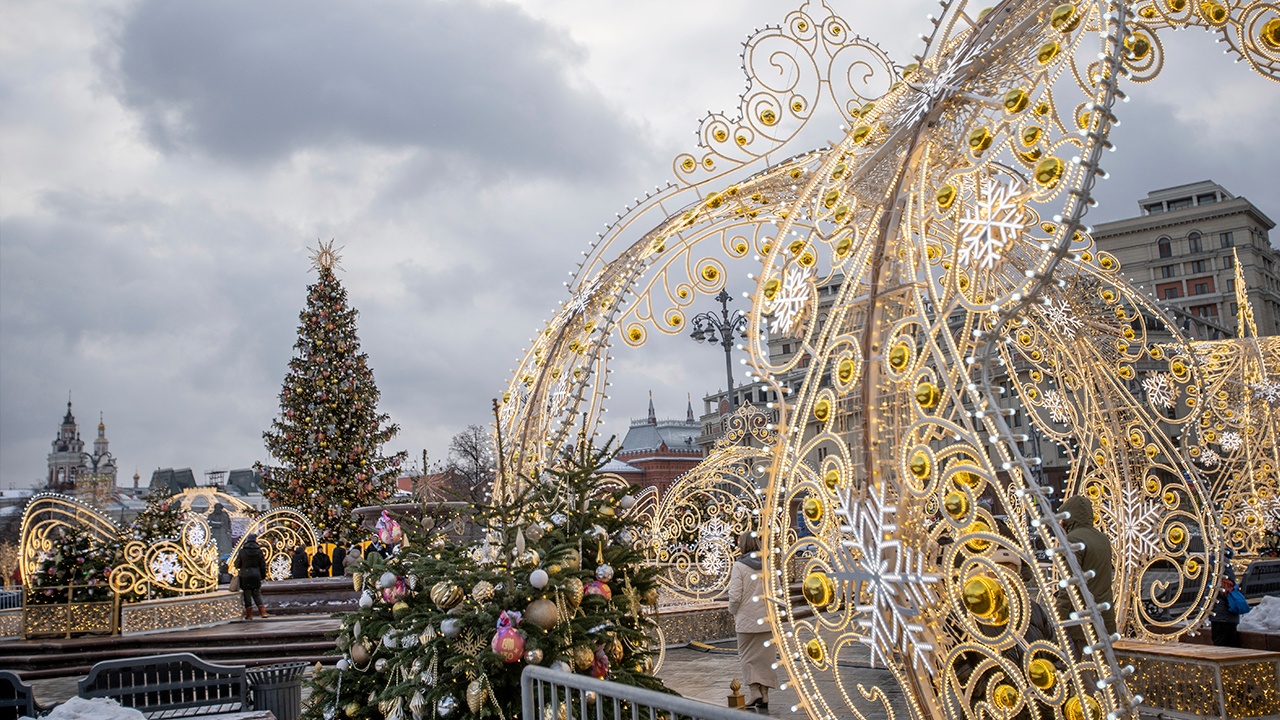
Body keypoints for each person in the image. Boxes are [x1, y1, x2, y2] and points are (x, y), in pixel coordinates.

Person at [1053, 495, 1116, 647]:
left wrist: (1057, 618)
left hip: (1082, 620)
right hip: (1105, 616)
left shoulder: (1072, 541)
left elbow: (1070, 586)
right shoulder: (1102, 538)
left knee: (1085, 666)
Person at [727, 531, 776, 711]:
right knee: (765, 658)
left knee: (747, 657)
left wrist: (733, 612)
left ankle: (754, 691)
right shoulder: (767, 564)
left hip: (746, 621)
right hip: (766, 619)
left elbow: (734, 596)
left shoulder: (739, 566)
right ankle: (765, 694)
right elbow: (776, 589)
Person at [234, 533, 269, 620]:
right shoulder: (259, 551)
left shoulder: (242, 551)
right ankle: (263, 612)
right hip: (256, 575)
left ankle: (249, 614)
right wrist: (263, 576)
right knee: (257, 593)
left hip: (245, 575)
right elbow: (262, 565)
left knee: (247, 594)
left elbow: (237, 564)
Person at [1210, 558, 1242, 647]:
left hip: (1219, 618)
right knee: (1231, 642)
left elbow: (1207, 599)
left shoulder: (1216, 583)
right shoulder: (1231, 582)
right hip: (1232, 618)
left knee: (1219, 644)